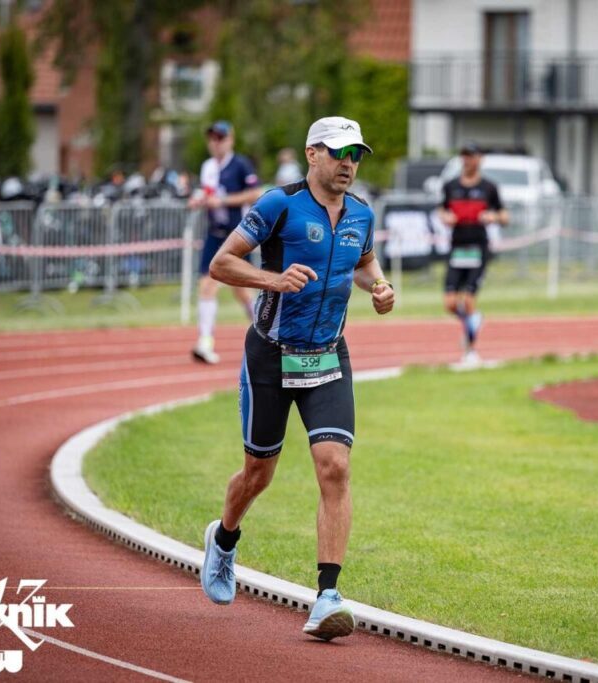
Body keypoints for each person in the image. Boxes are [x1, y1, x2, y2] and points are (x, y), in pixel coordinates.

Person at [202, 116, 393, 641]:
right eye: (338, 153)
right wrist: (273, 280)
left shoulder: (361, 214)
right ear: (313, 154)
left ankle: (327, 596)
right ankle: (223, 540)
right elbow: (222, 264)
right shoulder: (278, 204)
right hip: (270, 356)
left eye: (356, 154)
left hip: (328, 355)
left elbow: (365, 261)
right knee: (257, 475)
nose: (349, 164)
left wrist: (379, 287)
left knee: (334, 467)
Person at [187, 120, 264, 364]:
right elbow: (208, 192)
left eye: (220, 138)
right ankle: (205, 341)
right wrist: (199, 198)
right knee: (207, 284)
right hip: (214, 233)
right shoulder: (208, 166)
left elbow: (255, 193)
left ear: (230, 139)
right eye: (212, 138)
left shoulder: (240, 164)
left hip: (237, 235)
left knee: (241, 291)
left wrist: (224, 201)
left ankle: (263, 331)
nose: (215, 143)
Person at [437, 142, 509, 364]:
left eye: (472, 156)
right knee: (450, 303)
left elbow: (505, 216)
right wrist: (445, 217)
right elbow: (442, 208)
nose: (467, 160)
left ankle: (471, 350)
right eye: (464, 156)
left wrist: (493, 217)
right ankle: (475, 320)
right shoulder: (450, 186)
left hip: (478, 249)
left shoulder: (489, 188)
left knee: (468, 301)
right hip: (457, 248)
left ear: (480, 159)